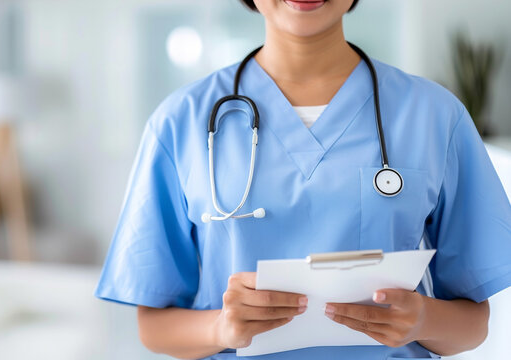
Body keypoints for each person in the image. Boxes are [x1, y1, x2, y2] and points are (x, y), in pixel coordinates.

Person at [95, 0, 511, 359]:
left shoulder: (435, 115)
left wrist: (422, 319)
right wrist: (221, 329)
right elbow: (153, 327)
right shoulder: (181, 121)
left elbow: (473, 325)